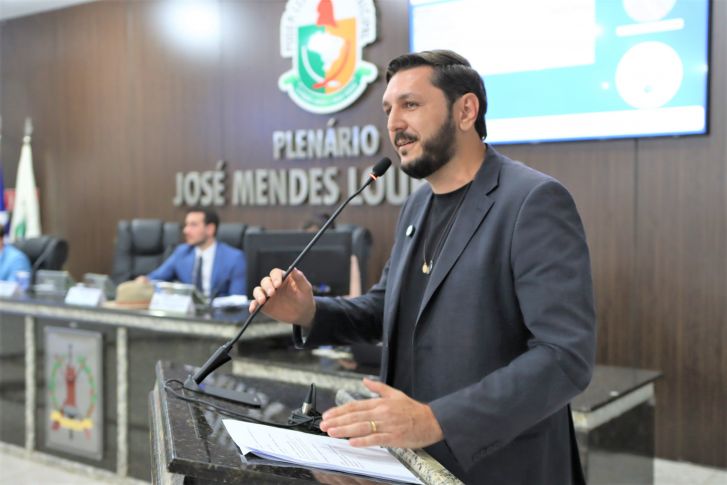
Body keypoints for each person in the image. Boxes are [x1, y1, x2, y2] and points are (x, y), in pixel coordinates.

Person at [250, 50, 596, 484]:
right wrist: (310, 312)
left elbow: (565, 357)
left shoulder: (532, 200)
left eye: (410, 104)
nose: (394, 123)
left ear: (465, 111)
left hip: (501, 466)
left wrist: (437, 420)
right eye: (388, 110)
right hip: (412, 461)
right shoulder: (417, 206)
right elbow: (385, 308)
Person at [138, 208, 246, 297]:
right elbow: (155, 278)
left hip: (219, 315)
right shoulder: (181, 252)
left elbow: (237, 300)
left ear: (210, 229)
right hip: (187, 313)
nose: (186, 230)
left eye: (193, 225)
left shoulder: (234, 258)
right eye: (186, 225)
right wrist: (144, 281)